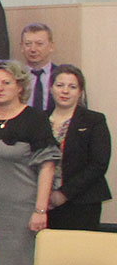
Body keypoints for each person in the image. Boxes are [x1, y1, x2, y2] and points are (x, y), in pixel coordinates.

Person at [0, 61, 58, 265]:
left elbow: (47, 167)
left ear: (20, 86)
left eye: (6, 83)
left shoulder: (35, 119)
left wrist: (40, 210)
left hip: (21, 213)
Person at [46, 65, 110, 231]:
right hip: (43, 202)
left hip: (82, 201)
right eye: (60, 85)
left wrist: (64, 194)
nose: (65, 91)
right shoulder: (39, 120)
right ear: (51, 88)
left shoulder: (94, 120)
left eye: (72, 87)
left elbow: (99, 163)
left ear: (80, 91)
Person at [20, 23, 59, 113]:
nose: (33, 49)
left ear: (51, 46)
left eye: (39, 44)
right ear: (21, 47)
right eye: (28, 44)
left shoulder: (60, 75)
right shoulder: (15, 76)